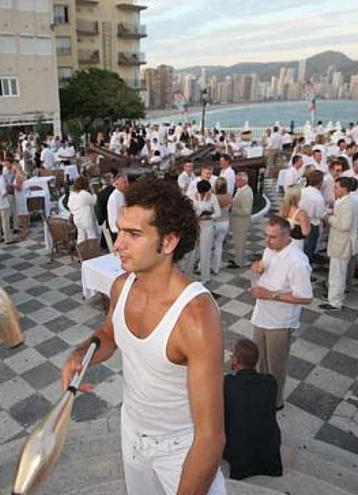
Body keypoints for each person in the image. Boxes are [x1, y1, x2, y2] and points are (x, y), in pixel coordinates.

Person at [60, 177, 227, 495]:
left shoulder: (195, 317)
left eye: (133, 234)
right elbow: (109, 332)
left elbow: (210, 436)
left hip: (180, 448)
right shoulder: (122, 285)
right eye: (120, 230)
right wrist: (82, 354)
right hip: (132, 430)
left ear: (168, 243)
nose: (118, 243)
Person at [249, 216, 313, 408]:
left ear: (286, 237)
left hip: (280, 321)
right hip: (262, 314)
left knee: (275, 365)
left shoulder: (298, 262)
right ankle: (261, 395)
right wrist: (258, 269)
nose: (267, 241)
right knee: (259, 361)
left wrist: (271, 295)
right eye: (266, 236)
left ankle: (275, 403)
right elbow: (267, 267)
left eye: (272, 237)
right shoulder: (270, 249)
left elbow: (305, 297)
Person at [223, 338, 283, 480]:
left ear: (236, 360)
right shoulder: (270, 382)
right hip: (269, 453)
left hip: (240, 455)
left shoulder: (228, 384)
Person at [320, 178, 358, 311]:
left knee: (338, 274)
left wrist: (328, 218)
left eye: (336, 187)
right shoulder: (342, 202)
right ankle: (333, 295)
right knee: (335, 272)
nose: (334, 190)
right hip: (338, 243)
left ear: (344, 189)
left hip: (342, 244)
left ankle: (335, 302)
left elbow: (344, 225)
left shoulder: (347, 204)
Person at [188, 180, 220, 283]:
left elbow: (218, 213)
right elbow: (189, 208)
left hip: (207, 226)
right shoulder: (193, 195)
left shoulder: (213, 197)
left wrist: (209, 216)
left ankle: (205, 277)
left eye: (204, 192)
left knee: (205, 251)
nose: (202, 194)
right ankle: (188, 275)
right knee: (191, 250)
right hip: (195, 225)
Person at [299, 170, 325, 261]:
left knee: (299, 248)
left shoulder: (301, 191)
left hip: (299, 222)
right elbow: (320, 214)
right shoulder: (318, 197)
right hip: (312, 225)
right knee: (308, 250)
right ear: (320, 182)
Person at [228, 172, 253, 269]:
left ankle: (239, 262)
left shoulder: (247, 192)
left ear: (243, 180)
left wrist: (231, 209)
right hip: (238, 223)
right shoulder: (241, 190)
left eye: (237, 180)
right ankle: (237, 259)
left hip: (241, 224)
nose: (235, 182)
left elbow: (246, 211)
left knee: (240, 244)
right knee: (237, 243)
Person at [67, 176, 99, 243]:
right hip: (86, 219)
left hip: (77, 219)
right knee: (91, 235)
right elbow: (94, 201)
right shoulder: (84, 194)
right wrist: (93, 192)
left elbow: (70, 206)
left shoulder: (72, 194)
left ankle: (82, 251)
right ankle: (93, 251)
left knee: (81, 236)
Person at [211, 178, 231, 275]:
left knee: (209, 246)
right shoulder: (229, 196)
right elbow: (230, 208)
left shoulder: (214, 197)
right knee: (219, 245)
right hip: (225, 222)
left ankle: (203, 267)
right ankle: (216, 268)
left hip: (215, 223)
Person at [281, 186, 309, 251]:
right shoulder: (301, 213)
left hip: (285, 239)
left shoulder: (283, 209)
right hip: (296, 243)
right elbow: (305, 232)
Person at [106, 173, 129, 243]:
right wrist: (119, 231)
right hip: (119, 233)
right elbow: (113, 217)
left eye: (127, 182)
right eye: (124, 183)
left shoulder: (123, 194)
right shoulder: (114, 198)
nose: (127, 185)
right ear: (117, 184)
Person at [95, 173, 115, 249]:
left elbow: (99, 209)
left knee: (109, 239)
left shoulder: (101, 194)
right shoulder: (115, 190)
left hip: (106, 218)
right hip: (116, 217)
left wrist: (100, 220)